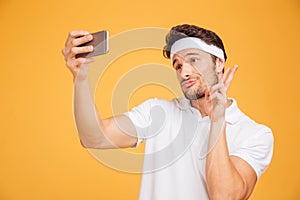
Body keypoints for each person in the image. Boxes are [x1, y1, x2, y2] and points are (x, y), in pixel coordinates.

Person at [62, 24, 274, 200]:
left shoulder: (255, 134)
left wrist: (216, 121)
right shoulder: (159, 111)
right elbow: (94, 137)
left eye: (193, 60)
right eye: (178, 65)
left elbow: (225, 196)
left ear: (219, 63)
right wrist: (80, 78)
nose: (185, 72)